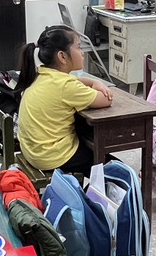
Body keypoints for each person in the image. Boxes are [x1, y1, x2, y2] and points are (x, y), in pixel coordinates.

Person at [13, 24, 112, 174]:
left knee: (89, 143)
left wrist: (95, 82)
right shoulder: (66, 86)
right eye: (78, 47)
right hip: (53, 156)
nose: (82, 53)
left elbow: (75, 83)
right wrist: (99, 85)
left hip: (33, 152)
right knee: (114, 168)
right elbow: (106, 99)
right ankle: (91, 196)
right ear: (62, 56)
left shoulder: (42, 74)